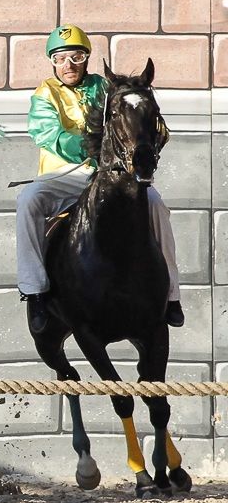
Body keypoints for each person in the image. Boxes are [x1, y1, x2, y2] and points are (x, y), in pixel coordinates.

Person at [16, 24, 183, 334]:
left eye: (76, 57)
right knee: (27, 200)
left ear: (86, 59)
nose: (68, 65)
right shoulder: (44, 94)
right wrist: (94, 144)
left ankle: (171, 295)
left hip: (108, 175)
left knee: (156, 203)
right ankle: (35, 291)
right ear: (53, 62)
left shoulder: (105, 89)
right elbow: (48, 135)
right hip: (62, 176)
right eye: (61, 58)